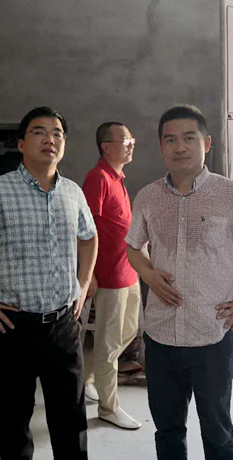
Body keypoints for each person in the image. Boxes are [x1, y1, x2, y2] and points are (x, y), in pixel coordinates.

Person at [125, 105, 233, 460]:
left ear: (206, 143)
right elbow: (133, 246)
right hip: (160, 337)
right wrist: (148, 273)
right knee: (168, 430)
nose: (179, 147)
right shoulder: (148, 196)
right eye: (170, 140)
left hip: (211, 336)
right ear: (161, 147)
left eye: (189, 138)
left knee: (218, 432)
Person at [0, 107, 98, 460]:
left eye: (57, 133)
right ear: (22, 144)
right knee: (14, 420)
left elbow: (89, 238)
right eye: (39, 132)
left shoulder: (72, 192)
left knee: (71, 419)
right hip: (11, 326)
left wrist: (83, 284)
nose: (49, 139)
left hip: (63, 325)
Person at [82, 122, 141, 430]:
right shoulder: (98, 178)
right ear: (106, 146)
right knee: (108, 342)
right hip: (108, 275)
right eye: (125, 140)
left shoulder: (118, 177)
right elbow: (84, 229)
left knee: (128, 332)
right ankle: (108, 407)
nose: (131, 144)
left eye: (131, 139)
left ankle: (88, 379)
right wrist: (89, 273)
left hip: (128, 270)